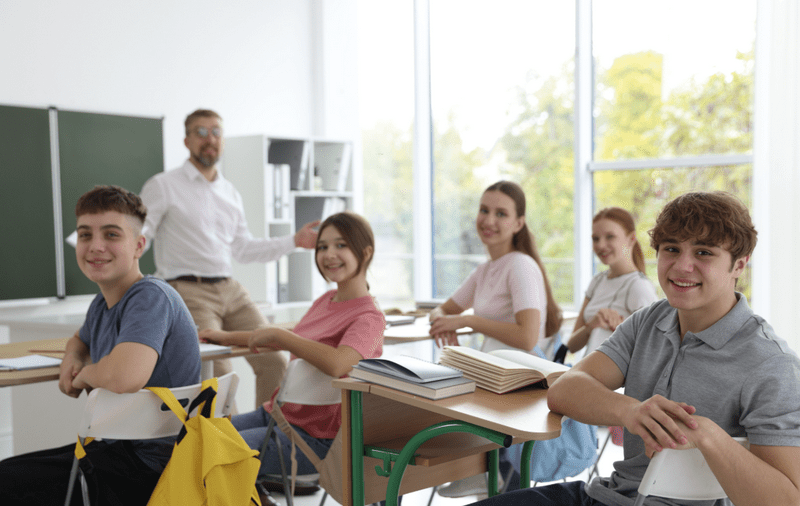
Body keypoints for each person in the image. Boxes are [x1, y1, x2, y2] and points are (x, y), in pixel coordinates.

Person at [469, 191, 800, 506]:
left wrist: (709, 436)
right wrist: (631, 411)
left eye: (704, 252)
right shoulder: (649, 321)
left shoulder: (771, 364)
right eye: (671, 249)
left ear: (739, 265)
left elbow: (788, 499)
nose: (682, 266)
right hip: (609, 496)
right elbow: (564, 389)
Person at [0, 185, 201, 506]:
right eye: (84, 235)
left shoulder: (150, 296)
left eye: (111, 235)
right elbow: (79, 340)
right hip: (119, 451)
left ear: (138, 246)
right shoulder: (103, 303)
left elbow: (125, 376)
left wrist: (82, 376)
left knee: (8, 484)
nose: (95, 246)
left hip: (155, 469)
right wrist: (72, 357)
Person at [199, 212, 384, 505]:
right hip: (277, 415)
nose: (329, 255)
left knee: (217, 452)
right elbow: (292, 337)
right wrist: (226, 336)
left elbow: (339, 363)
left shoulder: (370, 319)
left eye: (340, 245)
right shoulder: (325, 302)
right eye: (322, 247)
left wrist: (283, 337)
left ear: (366, 252)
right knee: (199, 436)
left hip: (314, 441)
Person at [140, 109, 320, 409]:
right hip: (188, 291)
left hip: (231, 290)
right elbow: (140, 234)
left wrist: (294, 241)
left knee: (275, 359)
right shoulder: (163, 185)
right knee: (217, 371)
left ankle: (266, 442)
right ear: (186, 141)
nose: (209, 139)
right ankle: (230, 451)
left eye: (215, 132)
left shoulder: (229, 192)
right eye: (200, 132)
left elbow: (243, 248)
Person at [429, 180, 563, 497]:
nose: (489, 220)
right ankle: (479, 469)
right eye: (484, 210)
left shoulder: (519, 265)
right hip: (492, 380)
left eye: (501, 213)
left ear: (518, 223)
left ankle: (487, 470)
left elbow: (527, 334)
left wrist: (468, 320)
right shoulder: (486, 270)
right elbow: (442, 310)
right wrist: (443, 320)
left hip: (515, 388)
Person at [563, 207, 658, 359]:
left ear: (631, 239)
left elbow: (653, 349)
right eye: (595, 238)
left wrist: (622, 329)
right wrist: (591, 326)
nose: (600, 245)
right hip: (587, 371)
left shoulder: (639, 287)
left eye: (610, 237)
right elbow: (571, 346)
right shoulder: (597, 281)